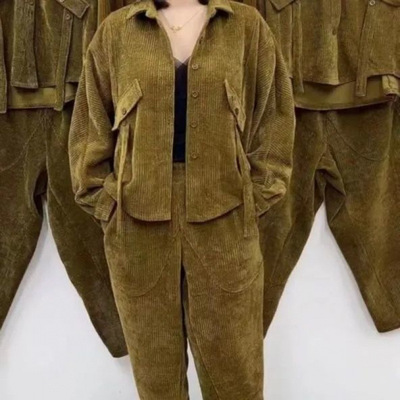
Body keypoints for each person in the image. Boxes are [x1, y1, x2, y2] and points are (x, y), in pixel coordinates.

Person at [68, 0, 295, 398]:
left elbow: (275, 121)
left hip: (225, 226)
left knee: (236, 382)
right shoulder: (116, 31)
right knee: (157, 386)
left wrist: (250, 200)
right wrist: (110, 208)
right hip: (137, 230)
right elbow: (89, 130)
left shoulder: (247, 27)